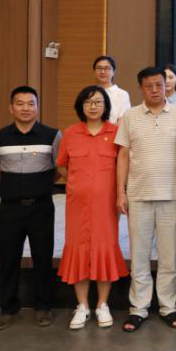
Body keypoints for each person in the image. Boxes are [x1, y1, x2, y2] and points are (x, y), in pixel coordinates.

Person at [115, 67, 176, 332]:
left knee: (169, 256)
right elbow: (123, 155)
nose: (156, 90)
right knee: (139, 255)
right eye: (149, 86)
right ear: (141, 88)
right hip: (138, 195)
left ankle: (168, 306)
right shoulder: (130, 116)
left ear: (166, 85)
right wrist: (120, 191)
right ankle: (138, 308)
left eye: (160, 84)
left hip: (171, 194)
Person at [0, 86, 61, 331]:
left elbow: (60, 168)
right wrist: (12, 186)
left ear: (37, 107)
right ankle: (8, 309)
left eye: (31, 103)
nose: (26, 108)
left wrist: (40, 185)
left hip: (41, 208)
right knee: (8, 259)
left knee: (43, 258)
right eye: (20, 103)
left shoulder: (52, 135)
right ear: (11, 108)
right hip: (10, 209)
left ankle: (43, 307)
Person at [56, 85, 129, 329]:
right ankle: (82, 306)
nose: (93, 106)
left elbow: (123, 165)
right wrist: (77, 183)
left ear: (106, 105)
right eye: (88, 102)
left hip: (106, 205)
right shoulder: (70, 133)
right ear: (81, 106)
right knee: (78, 249)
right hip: (77, 205)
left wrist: (120, 193)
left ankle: (102, 305)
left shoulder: (116, 132)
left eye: (98, 101)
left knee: (104, 248)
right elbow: (61, 165)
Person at [92, 55, 131, 124]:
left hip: (115, 130)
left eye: (107, 68)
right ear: (94, 72)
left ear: (113, 72)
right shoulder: (90, 93)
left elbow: (123, 121)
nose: (102, 71)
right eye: (99, 68)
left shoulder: (122, 94)